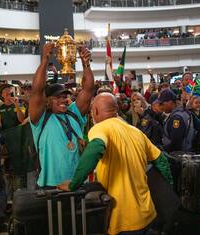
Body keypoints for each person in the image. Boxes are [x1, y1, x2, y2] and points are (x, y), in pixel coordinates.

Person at [58, 93, 173, 235]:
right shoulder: (135, 131)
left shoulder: (100, 128)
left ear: (95, 111)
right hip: (147, 213)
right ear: (116, 109)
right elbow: (161, 160)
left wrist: (73, 184)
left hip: (124, 218)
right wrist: (169, 188)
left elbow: (95, 150)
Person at [29, 42, 94, 188]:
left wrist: (86, 64)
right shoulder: (40, 119)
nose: (63, 100)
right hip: (50, 184)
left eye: (65, 96)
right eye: (58, 97)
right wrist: (45, 60)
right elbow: (37, 90)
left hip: (77, 182)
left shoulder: (74, 113)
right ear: (47, 101)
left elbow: (88, 89)